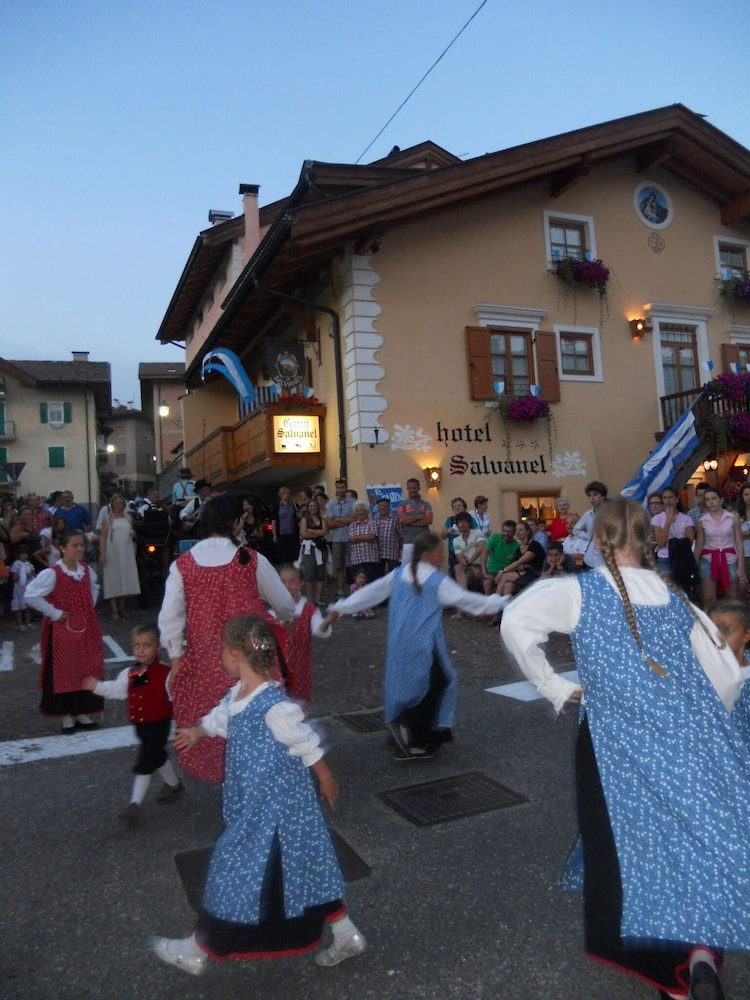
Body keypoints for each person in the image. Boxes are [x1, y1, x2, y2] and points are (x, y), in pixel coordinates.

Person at [501, 498, 750, 1000]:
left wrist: (553, 686)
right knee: (692, 839)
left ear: (597, 541)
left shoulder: (579, 590)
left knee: (632, 852)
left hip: (618, 746)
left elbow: (516, 622)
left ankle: (671, 978)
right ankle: (701, 953)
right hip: (689, 739)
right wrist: (707, 729)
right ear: (650, 538)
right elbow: (725, 675)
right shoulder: (678, 598)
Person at [150, 614, 365, 976]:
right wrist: (197, 733)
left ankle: (198, 947)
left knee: (233, 870)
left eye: (222, 649)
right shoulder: (238, 696)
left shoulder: (274, 706)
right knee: (304, 867)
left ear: (236, 655)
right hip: (261, 807)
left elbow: (306, 744)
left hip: (274, 813)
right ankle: (345, 933)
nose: (220, 655)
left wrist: (326, 779)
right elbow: (222, 719)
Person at [323, 532, 507, 759]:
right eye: (439, 552)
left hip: (401, 643)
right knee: (434, 685)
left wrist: (341, 608)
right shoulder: (436, 580)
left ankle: (415, 731)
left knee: (413, 685)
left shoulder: (399, 574)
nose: (442, 555)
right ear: (429, 555)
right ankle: (414, 737)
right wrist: (499, 602)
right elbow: (466, 600)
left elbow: (371, 593)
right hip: (425, 644)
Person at [158, 493, 296, 782]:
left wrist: (175, 661)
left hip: (207, 660)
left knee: (215, 723)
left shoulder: (183, 565)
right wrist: (280, 620)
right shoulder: (250, 559)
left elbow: (170, 618)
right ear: (236, 524)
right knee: (259, 719)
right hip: (252, 659)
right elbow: (285, 605)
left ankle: (231, 784)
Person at [81, 623, 183, 826]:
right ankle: (174, 785)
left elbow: (176, 699)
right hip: (141, 726)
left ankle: (134, 804)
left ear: (158, 647)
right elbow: (119, 690)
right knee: (157, 755)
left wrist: (183, 722)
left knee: (145, 763)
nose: (141, 650)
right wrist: (98, 687)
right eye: (137, 646)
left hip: (159, 724)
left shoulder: (166, 674)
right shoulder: (133, 673)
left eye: (147, 645)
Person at [26, 529, 104, 734]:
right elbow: (31, 595)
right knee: (65, 672)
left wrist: (89, 605)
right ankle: (67, 716)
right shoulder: (53, 573)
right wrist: (55, 612)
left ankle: (82, 712)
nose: (79, 549)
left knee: (86, 668)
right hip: (64, 631)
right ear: (62, 548)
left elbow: (94, 587)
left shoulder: (86, 570)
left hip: (86, 628)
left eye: (81, 545)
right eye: (74, 545)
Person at [271, 565, 332, 704]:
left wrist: (328, 621)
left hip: (301, 672)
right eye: (283, 582)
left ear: (301, 584)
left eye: (292, 581)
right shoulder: (272, 612)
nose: (287, 586)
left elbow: (319, 630)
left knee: (299, 712)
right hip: (276, 673)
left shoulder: (309, 609)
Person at [709, 599, 750, 749]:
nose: (718, 637)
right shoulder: (704, 672)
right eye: (711, 630)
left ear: (746, 635)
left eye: (728, 631)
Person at [695, 486, 746, 606]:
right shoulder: (702, 520)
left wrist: (741, 567)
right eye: (707, 499)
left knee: (732, 597)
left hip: (729, 559)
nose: (711, 502)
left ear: (721, 500)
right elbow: (699, 544)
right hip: (708, 559)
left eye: (714, 498)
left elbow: (738, 541)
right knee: (708, 598)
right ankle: (710, 623)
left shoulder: (733, 518)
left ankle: (730, 623)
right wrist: (694, 562)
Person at [99, 492, 140, 620]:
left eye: (120, 503)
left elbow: (132, 532)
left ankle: (122, 608)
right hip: (113, 552)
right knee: (113, 579)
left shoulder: (128, 517)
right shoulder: (108, 518)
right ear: (112, 504)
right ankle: (114, 609)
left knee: (124, 579)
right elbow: (103, 537)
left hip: (126, 552)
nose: (118, 505)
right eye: (116, 503)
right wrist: (102, 553)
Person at [651, 486, 696, 593]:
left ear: (676, 499)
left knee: (683, 590)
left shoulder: (686, 518)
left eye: (671, 497)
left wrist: (675, 541)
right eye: (665, 498)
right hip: (665, 558)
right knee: (667, 591)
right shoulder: (657, 519)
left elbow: (689, 540)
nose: (668, 501)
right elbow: (660, 542)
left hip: (682, 558)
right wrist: (667, 523)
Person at [494, 520, 546, 597]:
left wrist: (502, 571)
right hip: (526, 573)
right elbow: (520, 567)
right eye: (516, 530)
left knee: (504, 576)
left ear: (528, 532)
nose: (518, 532)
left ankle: (495, 602)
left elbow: (520, 562)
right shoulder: (519, 549)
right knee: (508, 585)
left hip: (538, 574)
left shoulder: (534, 545)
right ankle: (506, 607)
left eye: (521, 530)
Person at [325, 478, 355, 597]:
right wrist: (346, 520)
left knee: (354, 565)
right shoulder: (331, 504)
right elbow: (329, 523)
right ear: (336, 489)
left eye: (342, 487)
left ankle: (355, 590)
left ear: (346, 488)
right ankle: (341, 591)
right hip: (336, 539)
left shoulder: (353, 502)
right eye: (338, 488)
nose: (340, 490)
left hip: (351, 538)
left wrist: (336, 520)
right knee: (339, 566)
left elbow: (353, 519)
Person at [451, 511, 486, 609]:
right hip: (468, 566)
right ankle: (466, 596)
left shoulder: (477, 533)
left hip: (481, 565)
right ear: (457, 524)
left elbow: (480, 548)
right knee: (458, 567)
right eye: (460, 522)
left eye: (464, 522)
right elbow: (460, 558)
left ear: (469, 523)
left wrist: (470, 562)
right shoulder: (456, 540)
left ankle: (462, 607)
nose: (462, 524)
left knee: (462, 578)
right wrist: (470, 565)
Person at [569, 480, 608, 568]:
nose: (592, 498)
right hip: (591, 557)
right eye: (590, 495)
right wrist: (589, 536)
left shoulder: (611, 513)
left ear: (603, 497)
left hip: (607, 555)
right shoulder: (588, 514)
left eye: (595, 494)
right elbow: (576, 530)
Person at [297, 497, 328, 604]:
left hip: (321, 548)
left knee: (320, 574)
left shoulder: (322, 519)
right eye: (311, 506)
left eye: (315, 506)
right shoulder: (304, 520)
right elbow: (304, 534)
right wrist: (317, 532)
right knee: (309, 574)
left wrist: (311, 531)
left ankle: (318, 598)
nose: (313, 508)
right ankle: (310, 599)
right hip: (309, 550)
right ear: (308, 508)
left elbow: (324, 532)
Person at [396, 478, 433, 565]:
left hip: (424, 541)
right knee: (406, 569)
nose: (412, 490)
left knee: (425, 568)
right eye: (410, 488)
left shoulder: (426, 504)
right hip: (408, 542)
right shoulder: (402, 505)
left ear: (418, 488)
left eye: (414, 488)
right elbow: (402, 520)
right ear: (407, 489)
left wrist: (409, 520)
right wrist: (419, 517)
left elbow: (429, 520)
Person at [481, 520, 521, 595]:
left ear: (514, 533)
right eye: (504, 531)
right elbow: (484, 553)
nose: (506, 534)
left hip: (506, 572)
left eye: (509, 532)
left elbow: (517, 564)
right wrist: (484, 573)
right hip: (492, 571)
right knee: (487, 583)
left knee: (507, 585)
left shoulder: (516, 546)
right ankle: (489, 604)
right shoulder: (494, 538)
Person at [440, 497, 477, 571]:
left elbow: (476, 532)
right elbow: (442, 536)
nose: (457, 508)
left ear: (464, 508)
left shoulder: (470, 520)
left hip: (467, 551)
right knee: (453, 573)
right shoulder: (449, 520)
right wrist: (447, 531)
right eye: (454, 506)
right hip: (453, 551)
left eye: (459, 506)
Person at [348, 500, 379, 582]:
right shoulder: (352, 525)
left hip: (371, 558)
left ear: (366, 511)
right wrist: (365, 537)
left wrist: (357, 537)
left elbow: (372, 536)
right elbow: (351, 539)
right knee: (359, 584)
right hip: (357, 559)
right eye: (357, 511)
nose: (359, 513)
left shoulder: (372, 523)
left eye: (361, 510)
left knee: (371, 582)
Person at [373, 497, 403, 577]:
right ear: (377, 507)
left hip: (392, 553)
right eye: (380, 506)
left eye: (385, 506)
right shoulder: (374, 519)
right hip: (378, 553)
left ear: (389, 506)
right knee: (379, 575)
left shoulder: (395, 519)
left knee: (393, 575)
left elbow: (401, 535)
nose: (382, 508)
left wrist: (400, 550)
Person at [272, 485, 300, 565]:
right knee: (284, 555)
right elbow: (274, 520)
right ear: (280, 495)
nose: (286, 495)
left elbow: (297, 519)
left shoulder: (294, 505)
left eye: (288, 493)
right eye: (284, 493)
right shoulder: (277, 506)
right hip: (282, 534)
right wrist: (274, 534)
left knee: (293, 554)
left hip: (293, 533)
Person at [10, 545, 35, 630]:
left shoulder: (29, 564)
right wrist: (22, 576)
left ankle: (28, 623)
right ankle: (19, 624)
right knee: (19, 607)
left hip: (28, 587)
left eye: (26, 554)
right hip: (19, 588)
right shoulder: (16, 565)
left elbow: (33, 573)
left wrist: (30, 575)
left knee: (27, 607)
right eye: (22, 554)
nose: (25, 555)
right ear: (18, 555)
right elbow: (14, 577)